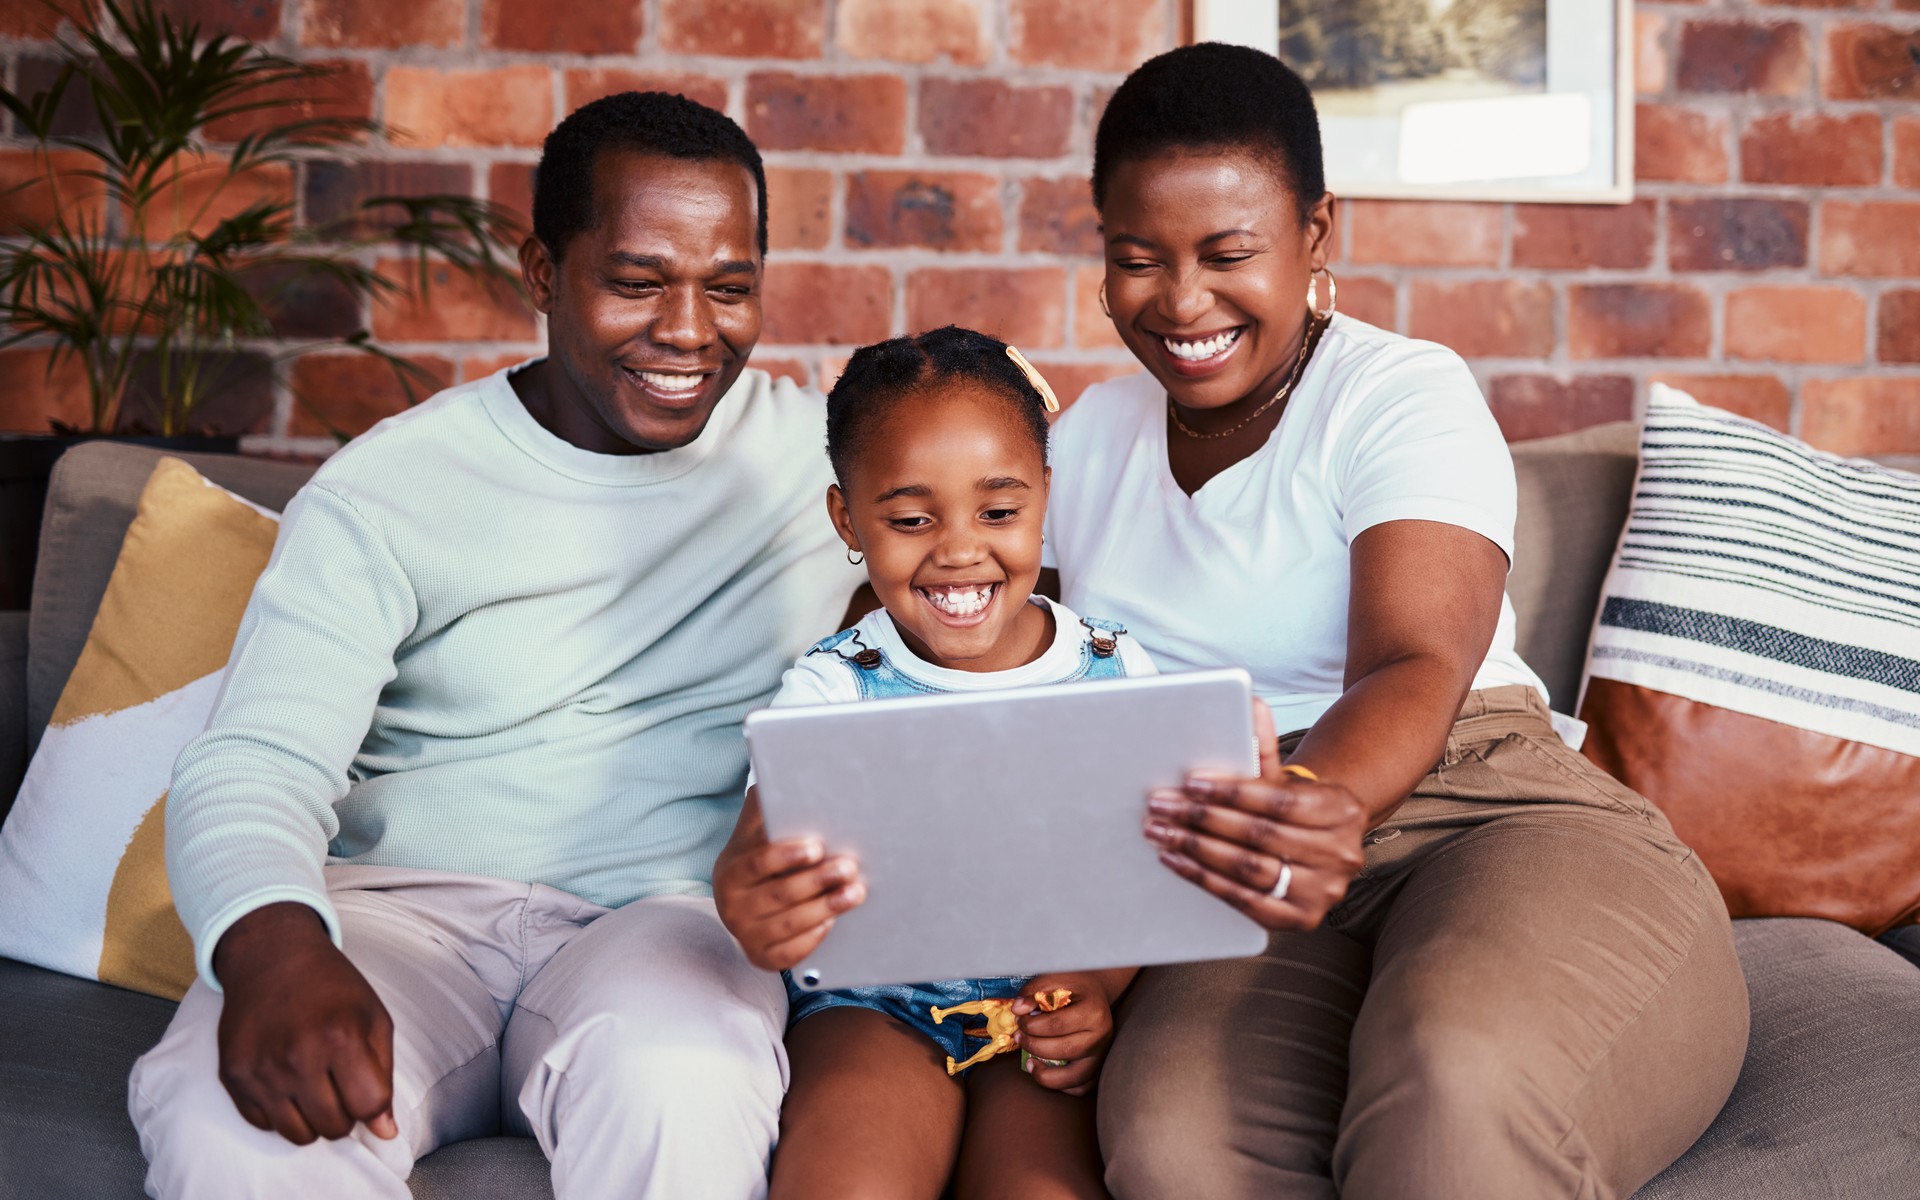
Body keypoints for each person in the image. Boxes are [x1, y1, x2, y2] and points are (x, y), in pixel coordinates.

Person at [1040, 44, 1751, 1199]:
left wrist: (1319, 800)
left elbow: (1420, 659)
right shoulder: (1080, 443)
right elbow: (967, 650)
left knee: (1452, 1077)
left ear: (1318, 232)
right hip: (1242, 869)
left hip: (1485, 802)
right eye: (1137, 258)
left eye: (1229, 254)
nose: (1180, 302)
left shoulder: (1398, 391)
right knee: (1177, 1146)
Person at [127, 92, 864, 1199]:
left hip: (661, 923)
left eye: (729, 286)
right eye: (635, 281)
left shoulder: (832, 461)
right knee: (231, 1121)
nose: (687, 330)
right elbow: (257, 760)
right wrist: (273, 948)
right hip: (404, 914)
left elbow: (1024, 540)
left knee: (685, 1082)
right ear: (540, 273)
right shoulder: (390, 486)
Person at [713, 327, 1151, 1200]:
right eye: (912, 520)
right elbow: (760, 848)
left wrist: (1097, 985)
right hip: (872, 1008)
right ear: (849, 519)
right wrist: (750, 897)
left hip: (1041, 1007)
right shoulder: (834, 685)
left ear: (1046, 499)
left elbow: (1136, 875)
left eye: (998, 511)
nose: (958, 550)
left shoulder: (1115, 669)